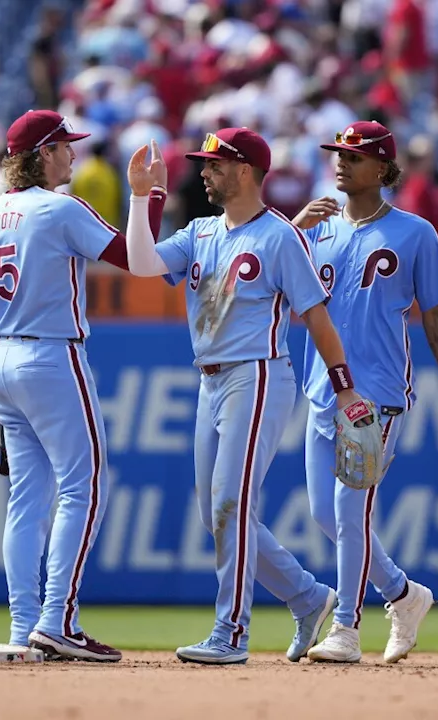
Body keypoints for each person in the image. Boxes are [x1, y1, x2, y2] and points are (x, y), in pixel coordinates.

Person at [122, 129, 379, 665]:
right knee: (216, 511)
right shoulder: (199, 231)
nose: (205, 173)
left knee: (231, 504)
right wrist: (142, 197)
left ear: (245, 171)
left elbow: (315, 316)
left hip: (257, 376)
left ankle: (230, 632)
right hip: (208, 380)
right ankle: (308, 599)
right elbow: (140, 262)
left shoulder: (279, 236)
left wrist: (344, 385)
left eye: (215, 165)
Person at [290, 120, 438, 663]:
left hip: (375, 392)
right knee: (325, 517)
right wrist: (291, 230)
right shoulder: (317, 226)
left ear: (382, 167)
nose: (340, 163)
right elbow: (284, 301)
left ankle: (347, 630)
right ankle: (403, 595)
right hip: (319, 388)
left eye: (353, 156)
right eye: (338, 154)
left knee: (349, 511)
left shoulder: (415, 232)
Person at [0, 110, 161, 662]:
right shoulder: (60, 208)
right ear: (42, 153)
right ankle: (59, 620)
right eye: (65, 147)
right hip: (53, 355)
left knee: (27, 498)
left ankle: (24, 625)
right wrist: (148, 197)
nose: (73, 155)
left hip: (4, 361)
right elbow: (135, 260)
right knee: (86, 485)